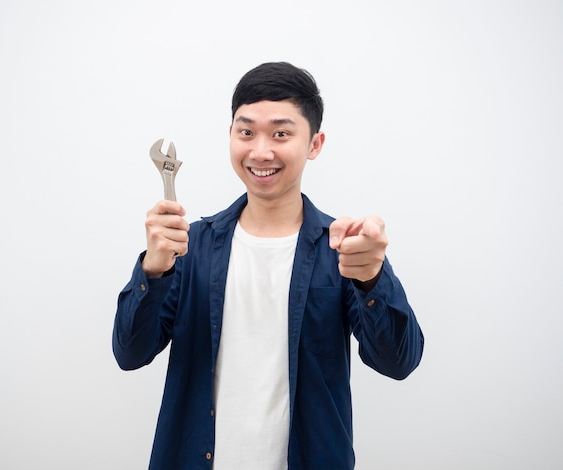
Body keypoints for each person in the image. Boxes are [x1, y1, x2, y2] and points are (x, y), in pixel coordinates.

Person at [113, 61, 424, 469]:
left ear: (314, 144)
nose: (261, 151)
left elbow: (398, 362)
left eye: (281, 133)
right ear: (230, 137)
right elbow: (129, 352)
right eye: (246, 132)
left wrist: (372, 278)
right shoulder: (190, 248)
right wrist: (153, 270)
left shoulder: (345, 250)